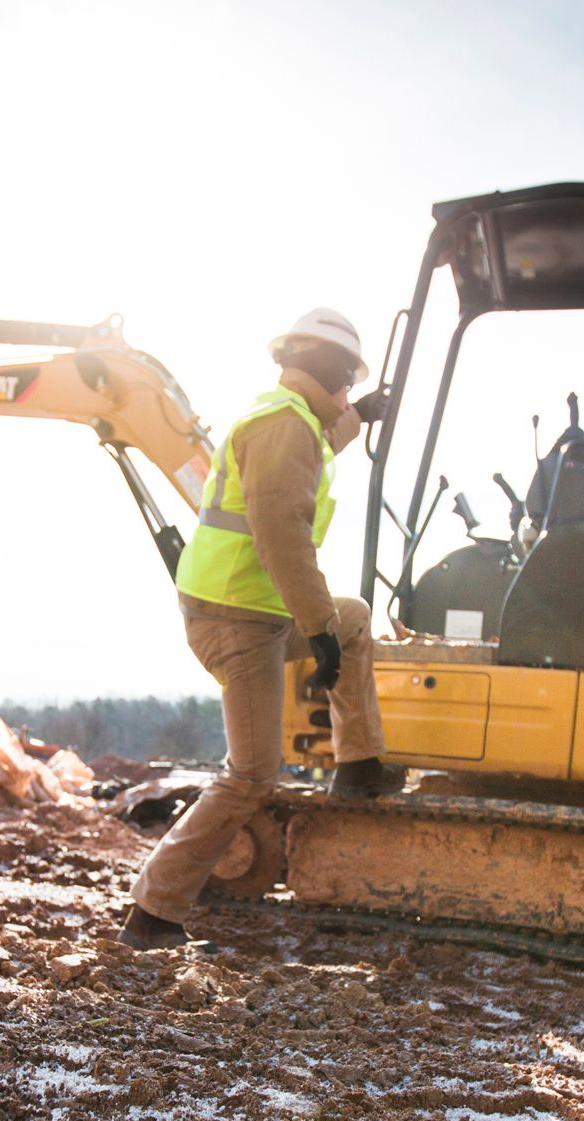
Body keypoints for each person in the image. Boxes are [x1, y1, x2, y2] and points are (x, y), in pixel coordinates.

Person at [119, 308, 394, 950]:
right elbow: (282, 537)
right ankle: (153, 913)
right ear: (327, 372)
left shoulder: (292, 418)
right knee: (251, 772)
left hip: (254, 608)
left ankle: (357, 765)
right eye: (348, 382)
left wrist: (364, 417)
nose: (349, 394)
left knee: (353, 620)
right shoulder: (282, 428)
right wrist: (317, 629)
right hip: (236, 618)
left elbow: (323, 441)